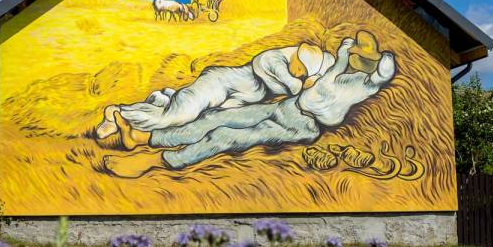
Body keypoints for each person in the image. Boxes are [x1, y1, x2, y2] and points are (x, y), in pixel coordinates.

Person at [100, 33, 395, 178]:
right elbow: (336, 57)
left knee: (226, 136)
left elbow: (381, 77)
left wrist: (383, 64)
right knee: (215, 118)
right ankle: (144, 138)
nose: (355, 61)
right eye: (356, 56)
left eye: (361, 59)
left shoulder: (362, 85)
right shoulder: (338, 66)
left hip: (302, 125)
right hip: (288, 106)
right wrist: (346, 50)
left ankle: (155, 162)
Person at [94, 42, 333, 140]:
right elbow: (293, 87)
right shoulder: (273, 59)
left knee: (189, 114)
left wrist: (313, 77)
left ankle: (162, 99)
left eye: (303, 73)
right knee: (177, 117)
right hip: (218, 84)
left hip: (227, 96)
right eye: (300, 69)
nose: (299, 74)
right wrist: (307, 82)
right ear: (297, 57)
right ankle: (117, 113)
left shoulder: (291, 67)